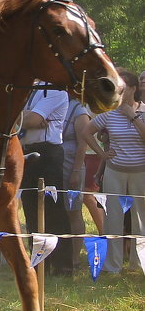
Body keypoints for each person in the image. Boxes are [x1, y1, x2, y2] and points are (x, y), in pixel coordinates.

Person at [81, 69, 145, 273]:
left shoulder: (143, 111)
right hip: (115, 171)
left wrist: (133, 117)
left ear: (134, 89)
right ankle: (113, 265)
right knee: (113, 219)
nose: (118, 91)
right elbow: (86, 131)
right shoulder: (109, 114)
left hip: (140, 171)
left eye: (123, 88)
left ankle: (139, 263)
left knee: (140, 219)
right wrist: (102, 153)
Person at [19, 87, 74, 275]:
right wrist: (23, 118)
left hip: (48, 154)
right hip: (26, 151)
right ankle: (39, 263)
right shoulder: (27, 89)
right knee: (31, 210)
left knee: (53, 210)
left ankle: (62, 266)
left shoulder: (55, 91)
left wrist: (21, 118)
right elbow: (18, 117)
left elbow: (32, 120)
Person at [61, 99, 103, 269]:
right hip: (55, 165)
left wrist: (76, 171)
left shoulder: (79, 111)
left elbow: (82, 144)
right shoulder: (56, 103)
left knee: (73, 211)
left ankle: (74, 258)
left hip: (72, 166)